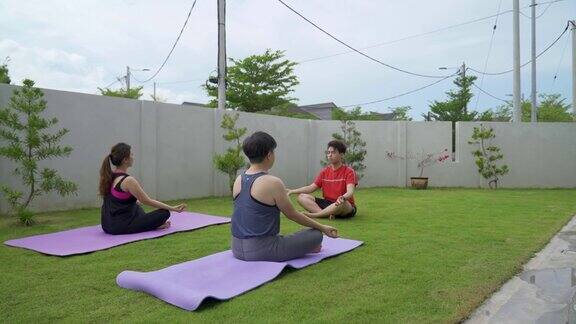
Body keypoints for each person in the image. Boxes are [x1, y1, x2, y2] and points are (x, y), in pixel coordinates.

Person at [231, 131, 338, 262]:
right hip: (264, 250)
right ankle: (308, 247)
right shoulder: (273, 182)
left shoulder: (238, 179)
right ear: (269, 155)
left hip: (236, 248)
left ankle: (303, 246)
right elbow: (293, 214)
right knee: (315, 234)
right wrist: (323, 227)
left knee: (291, 237)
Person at [99, 143, 186, 235]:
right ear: (125, 160)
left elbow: (116, 199)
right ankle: (154, 225)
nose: (133, 157)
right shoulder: (128, 181)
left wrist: (134, 200)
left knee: (136, 206)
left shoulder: (109, 176)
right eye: (131, 154)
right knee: (164, 213)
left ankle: (151, 224)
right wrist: (173, 208)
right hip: (120, 227)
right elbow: (148, 201)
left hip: (106, 225)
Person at [288, 140, 358, 220]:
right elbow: (311, 187)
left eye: (333, 152)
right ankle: (327, 214)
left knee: (342, 203)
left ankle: (315, 215)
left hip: (344, 205)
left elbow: (350, 191)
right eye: (328, 152)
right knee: (301, 197)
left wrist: (343, 197)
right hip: (327, 203)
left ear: (341, 155)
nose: (330, 155)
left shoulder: (349, 171)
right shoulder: (324, 172)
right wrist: (292, 191)